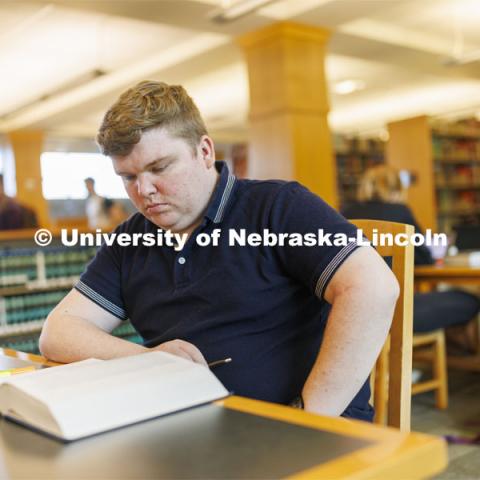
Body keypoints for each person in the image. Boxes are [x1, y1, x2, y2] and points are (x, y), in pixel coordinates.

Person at [39, 81, 399, 421]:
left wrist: (307, 417)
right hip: (188, 427)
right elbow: (58, 332)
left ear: (205, 152)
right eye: (128, 177)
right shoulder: (130, 240)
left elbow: (374, 288)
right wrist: (149, 360)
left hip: (302, 427)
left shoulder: (277, 207)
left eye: (159, 167)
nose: (143, 190)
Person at [342, 165, 480, 334]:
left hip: (353, 310)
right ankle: (464, 353)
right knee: (471, 300)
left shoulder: (345, 212)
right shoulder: (399, 212)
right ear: (397, 189)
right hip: (396, 308)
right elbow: (424, 258)